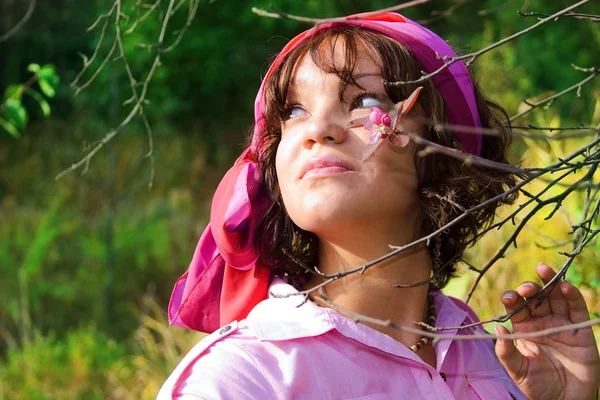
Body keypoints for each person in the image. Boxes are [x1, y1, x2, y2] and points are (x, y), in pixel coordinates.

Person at [157, 12, 599, 399]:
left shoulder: (487, 355)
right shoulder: (241, 380)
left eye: (364, 102)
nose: (319, 129)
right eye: (293, 111)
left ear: (443, 147)